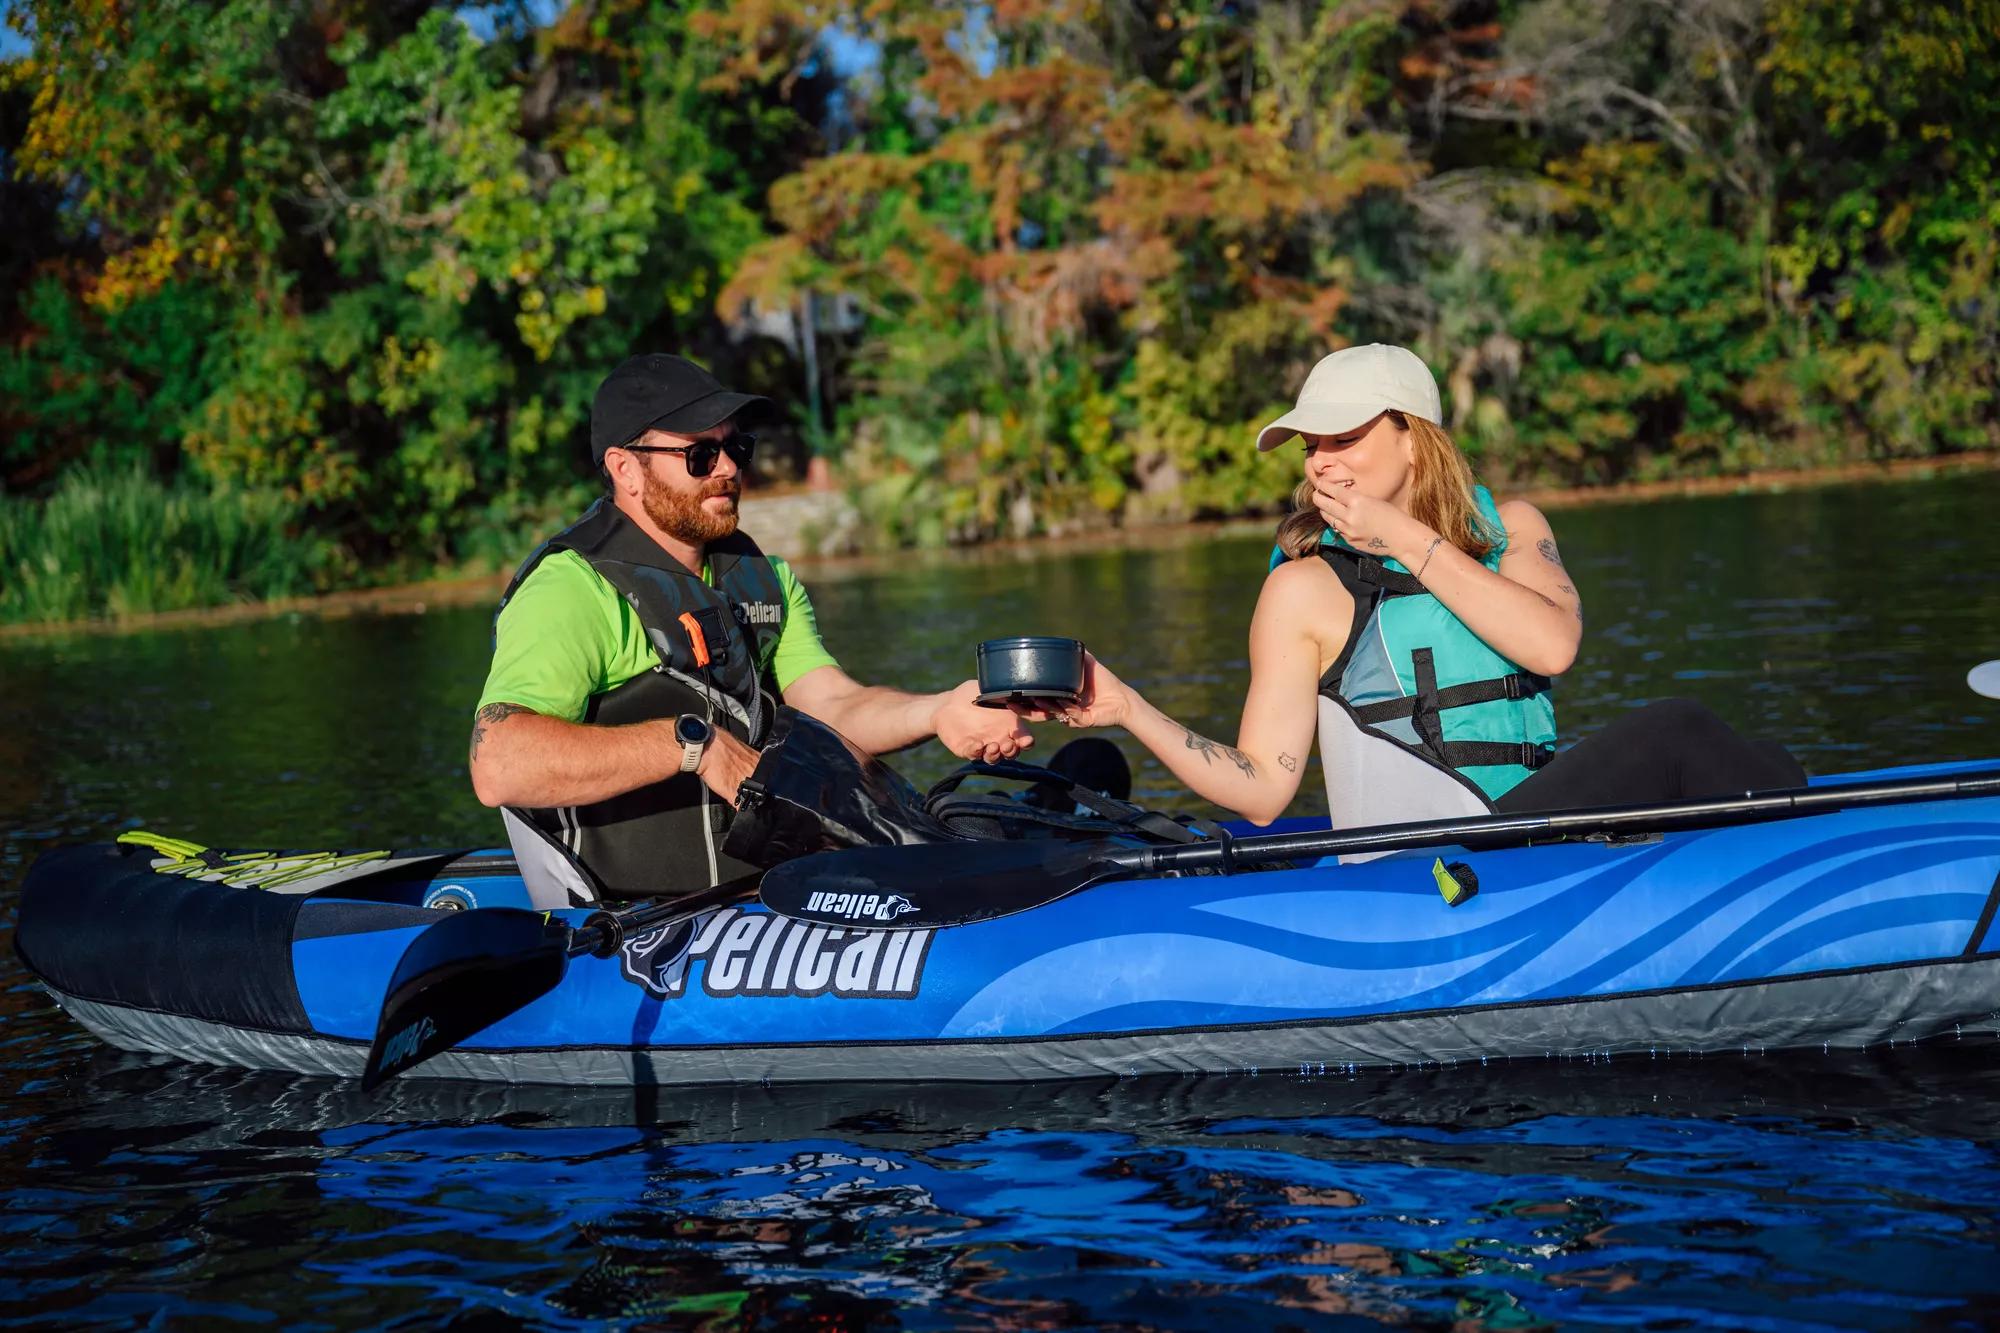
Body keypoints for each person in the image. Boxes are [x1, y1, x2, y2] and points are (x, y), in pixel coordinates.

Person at [1033, 343, 1804, 830]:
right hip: (1429, 869)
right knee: (1676, 729)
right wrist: (1131, 708)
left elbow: (1552, 643)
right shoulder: (1305, 589)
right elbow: (1265, 792)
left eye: (1345, 437)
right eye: (1311, 445)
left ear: (1414, 437)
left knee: (1761, 754)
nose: (1319, 463)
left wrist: (1402, 535)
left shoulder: (1514, 529)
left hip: (1526, 839)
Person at [470, 353, 1032, 906]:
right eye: (700, 454)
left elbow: (832, 707)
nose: (728, 468)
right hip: (630, 916)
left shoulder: (766, 579)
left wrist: (936, 712)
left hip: (765, 893)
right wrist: (697, 746)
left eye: (736, 448)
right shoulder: (571, 590)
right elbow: (498, 763)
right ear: (625, 469)